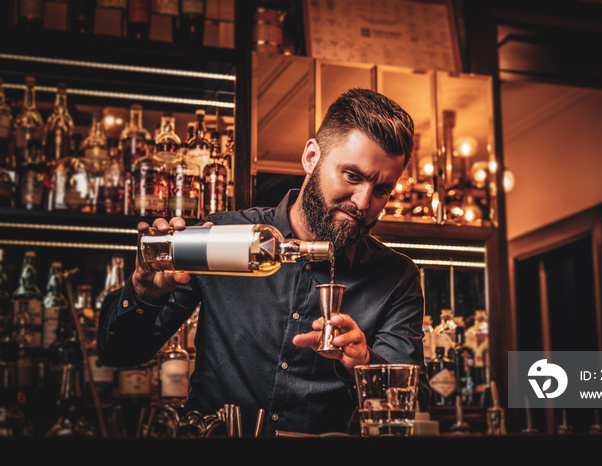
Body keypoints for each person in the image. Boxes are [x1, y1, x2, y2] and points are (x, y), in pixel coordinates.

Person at [98, 88, 429, 436]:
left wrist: (363, 365)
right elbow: (120, 355)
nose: (363, 202)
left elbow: (414, 408)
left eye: (381, 190)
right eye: (352, 176)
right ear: (312, 157)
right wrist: (144, 295)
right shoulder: (223, 238)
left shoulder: (396, 277)